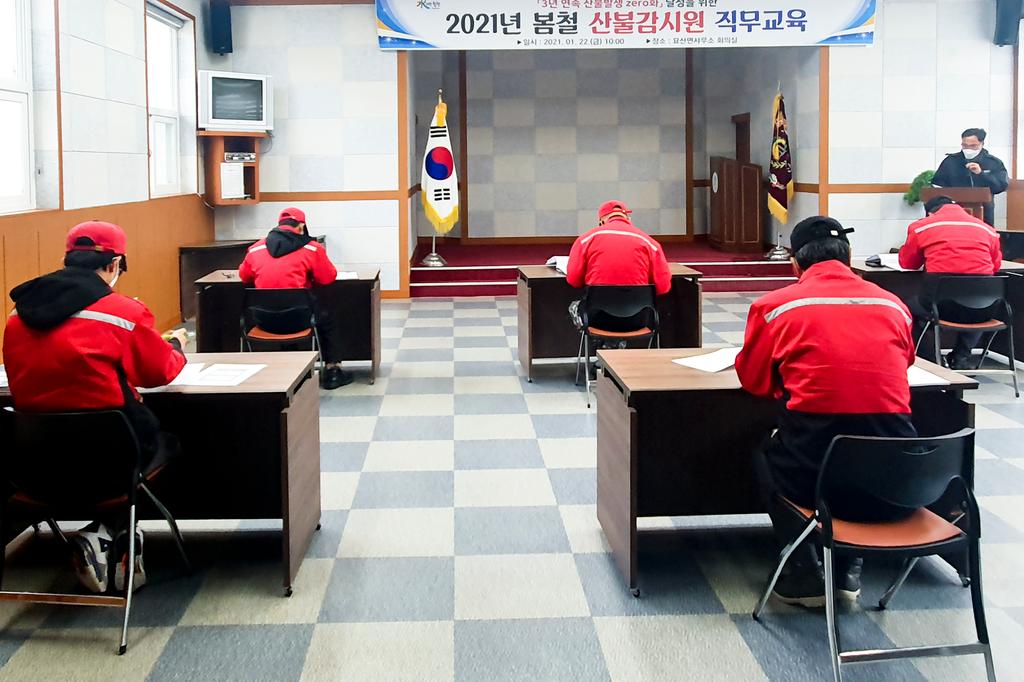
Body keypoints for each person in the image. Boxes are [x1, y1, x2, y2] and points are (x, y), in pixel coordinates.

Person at [735, 216, 918, 607]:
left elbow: (754, 381)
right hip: (897, 475)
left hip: (812, 472)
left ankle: (802, 570)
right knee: (859, 451)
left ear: (795, 265)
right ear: (849, 257)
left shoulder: (773, 307)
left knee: (763, 452)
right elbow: (904, 364)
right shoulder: (894, 305)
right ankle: (849, 568)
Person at [3, 220, 188, 594]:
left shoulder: (16, 316)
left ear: (67, 259)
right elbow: (160, 372)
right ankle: (113, 534)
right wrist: (176, 347)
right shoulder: (122, 312)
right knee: (165, 443)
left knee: (100, 447)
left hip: (36, 467)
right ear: (116, 263)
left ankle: (104, 536)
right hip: (111, 464)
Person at [238, 207, 351, 389]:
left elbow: (244, 277)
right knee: (327, 315)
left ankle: (287, 370)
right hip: (300, 320)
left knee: (287, 308)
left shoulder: (255, 249)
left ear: (279, 225)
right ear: (301, 226)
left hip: (263, 321)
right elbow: (328, 278)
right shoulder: (312, 248)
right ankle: (333, 372)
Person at [899, 196, 1003, 369]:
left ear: (930, 213)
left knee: (906, 309)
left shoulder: (923, 226)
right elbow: (995, 265)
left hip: (940, 307)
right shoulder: (987, 229)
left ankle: (930, 360)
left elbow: (908, 263)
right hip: (985, 308)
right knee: (976, 301)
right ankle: (961, 357)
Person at [566, 200, 672, 335]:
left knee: (576, 307)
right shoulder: (650, 243)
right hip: (639, 320)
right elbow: (664, 287)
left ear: (602, 221)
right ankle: (618, 344)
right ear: (628, 219)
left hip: (595, 318)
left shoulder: (586, 240)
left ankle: (604, 343)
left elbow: (573, 280)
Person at [932, 128, 1009, 226]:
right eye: (965, 145)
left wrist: (981, 174)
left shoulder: (993, 162)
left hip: (983, 211)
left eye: (973, 146)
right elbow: (937, 185)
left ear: (982, 144)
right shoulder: (950, 161)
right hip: (954, 211)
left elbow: (1000, 186)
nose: (968, 149)